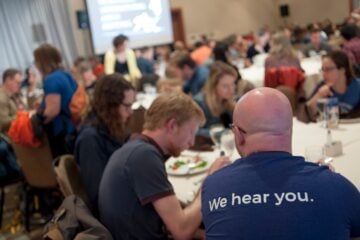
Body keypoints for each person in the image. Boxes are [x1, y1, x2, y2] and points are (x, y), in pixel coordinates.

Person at [201, 87, 360, 239]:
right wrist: (326, 186)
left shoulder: (214, 186)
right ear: (290, 130)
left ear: (238, 135)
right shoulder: (335, 186)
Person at [98, 92, 230, 240]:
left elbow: (169, 224)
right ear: (172, 126)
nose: (192, 142)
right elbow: (182, 232)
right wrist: (210, 182)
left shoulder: (136, 148)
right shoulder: (144, 156)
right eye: (191, 133)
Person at [75, 73, 135, 214]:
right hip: (116, 214)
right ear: (110, 106)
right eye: (127, 106)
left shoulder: (109, 127)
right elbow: (99, 195)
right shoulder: (90, 140)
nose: (131, 112)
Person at [33, 43, 77, 158]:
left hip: (62, 130)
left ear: (42, 62)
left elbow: (53, 111)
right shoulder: (65, 74)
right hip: (73, 125)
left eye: (36, 61)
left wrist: (37, 121)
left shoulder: (51, 80)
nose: (35, 64)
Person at [306, 50, 360, 118]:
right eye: (323, 69)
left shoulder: (357, 86)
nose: (324, 74)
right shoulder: (322, 87)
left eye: (328, 69)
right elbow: (308, 114)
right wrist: (319, 95)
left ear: (342, 70)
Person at [194, 61, 237, 137]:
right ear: (213, 86)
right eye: (225, 86)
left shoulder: (231, 100)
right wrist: (224, 133)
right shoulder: (200, 103)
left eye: (233, 84)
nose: (231, 90)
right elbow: (195, 131)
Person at [0, 68, 24, 135]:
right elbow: (3, 123)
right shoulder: (1, 98)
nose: (20, 85)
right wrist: (24, 116)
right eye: (17, 83)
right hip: (11, 139)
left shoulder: (14, 94)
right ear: (8, 81)